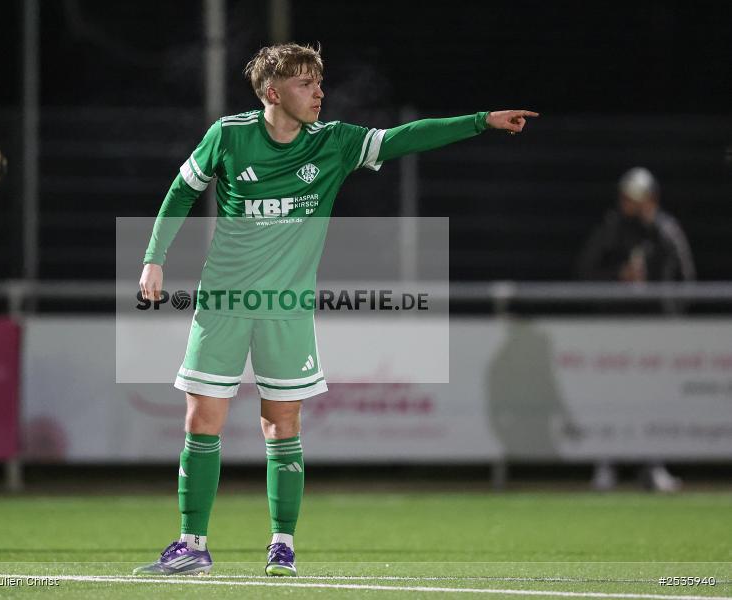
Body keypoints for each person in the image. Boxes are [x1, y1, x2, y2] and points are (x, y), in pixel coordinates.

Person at [134, 42, 537, 577]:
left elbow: (404, 138)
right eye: (307, 83)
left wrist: (481, 121)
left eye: (320, 82)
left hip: (289, 310)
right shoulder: (229, 136)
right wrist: (153, 260)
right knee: (201, 419)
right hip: (224, 302)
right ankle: (192, 543)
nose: (320, 92)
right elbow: (181, 192)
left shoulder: (335, 143)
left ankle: (282, 545)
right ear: (272, 92)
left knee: (282, 425)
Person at [578, 166, 695, 493]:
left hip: (654, 328)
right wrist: (618, 277)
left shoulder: (666, 230)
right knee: (610, 396)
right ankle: (605, 465)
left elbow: (684, 278)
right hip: (616, 327)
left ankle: (653, 465)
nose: (632, 205)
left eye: (639, 198)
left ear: (652, 199)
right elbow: (586, 272)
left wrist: (669, 315)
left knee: (654, 397)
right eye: (628, 198)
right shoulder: (611, 228)